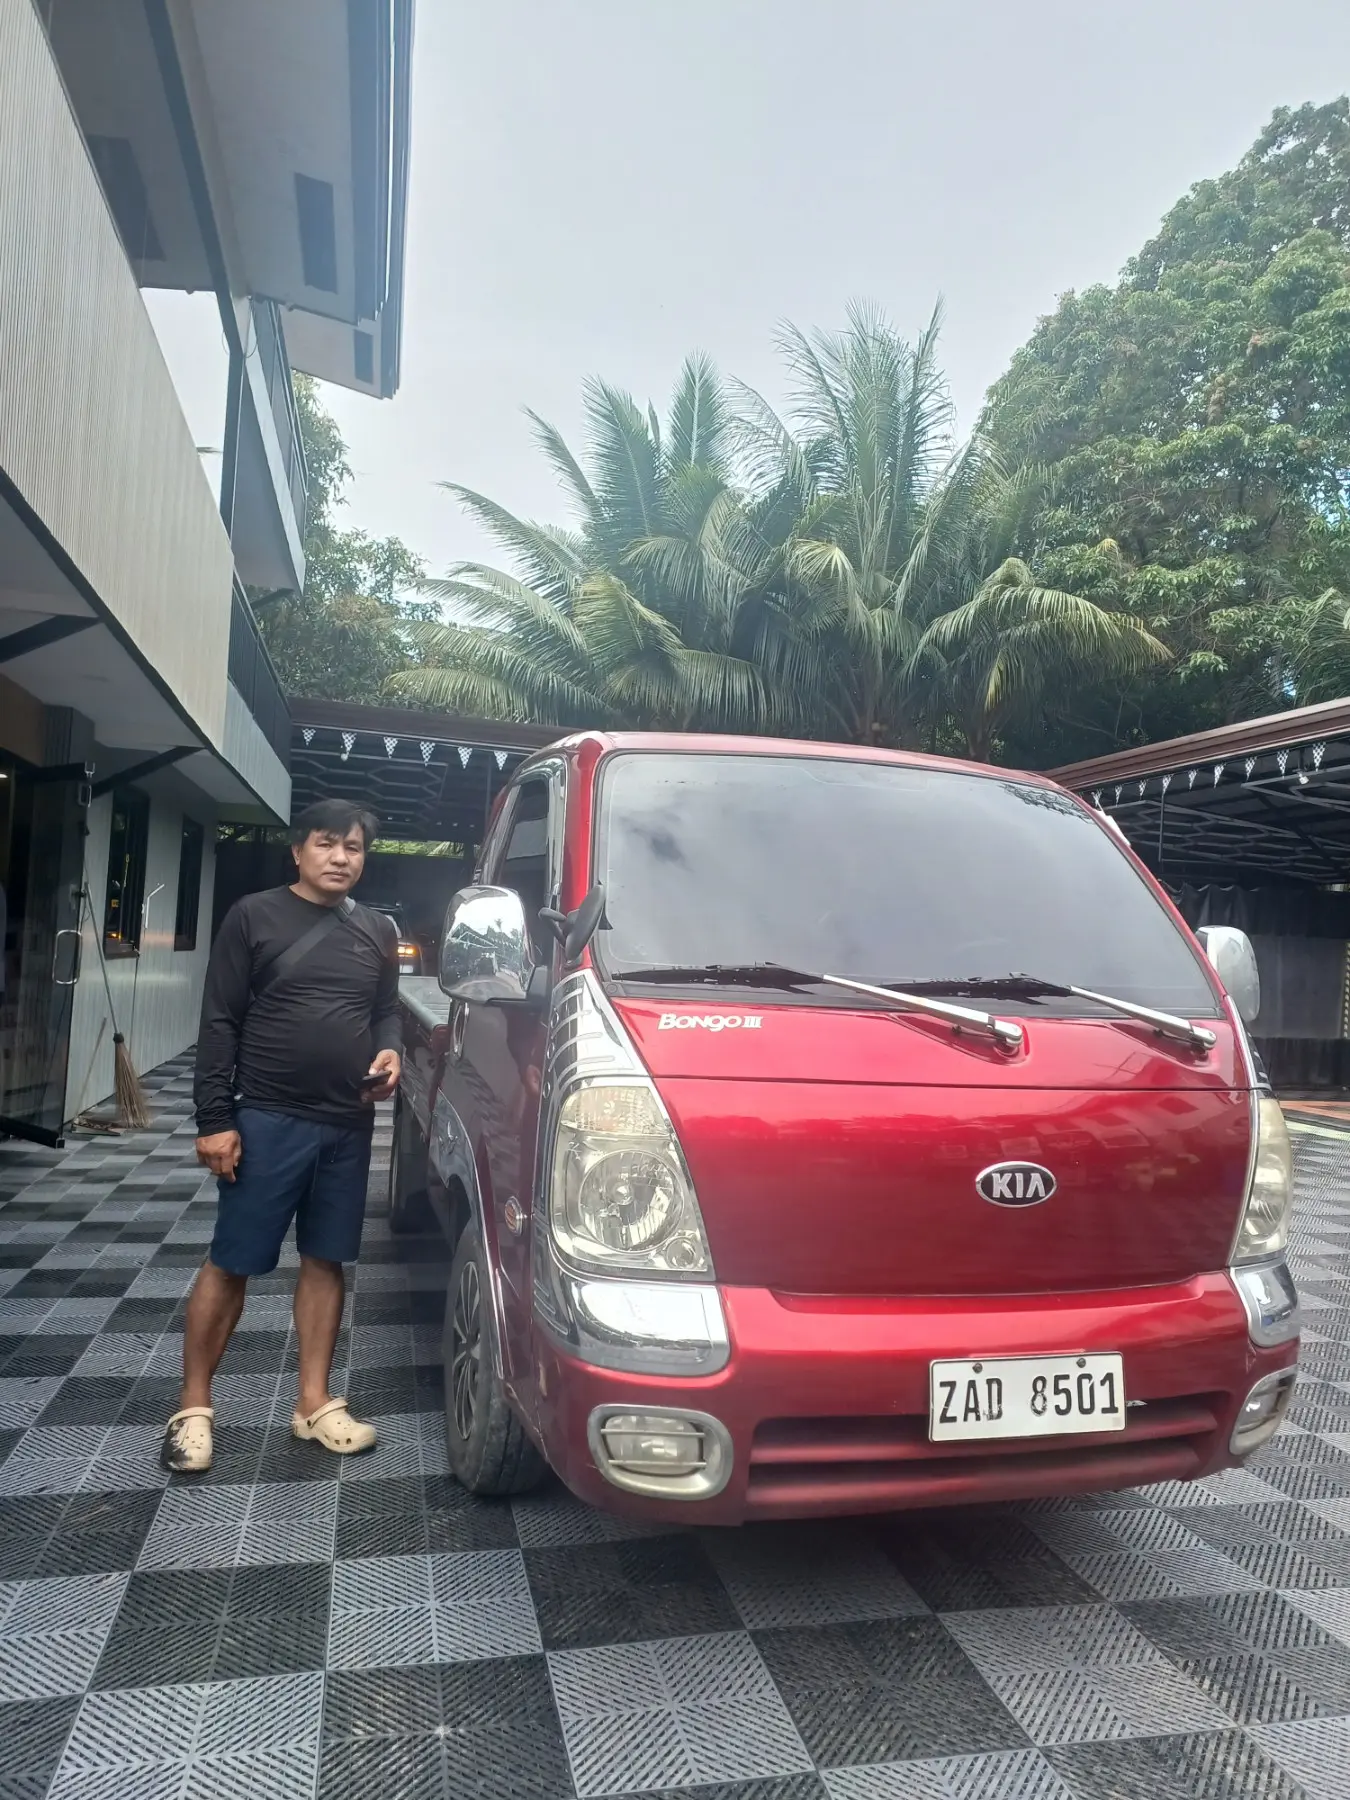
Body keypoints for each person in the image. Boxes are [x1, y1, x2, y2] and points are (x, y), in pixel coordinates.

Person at [162, 800, 402, 1473]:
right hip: (267, 1119)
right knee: (232, 1261)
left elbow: (384, 1010)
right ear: (298, 851)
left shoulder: (377, 930)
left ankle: (313, 1404)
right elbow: (219, 1021)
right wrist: (215, 1120)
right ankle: (193, 1410)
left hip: (347, 1123)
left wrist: (390, 1050)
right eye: (327, 843)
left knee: (326, 1260)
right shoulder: (254, 917)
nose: (341, 858)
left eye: (353, 847)